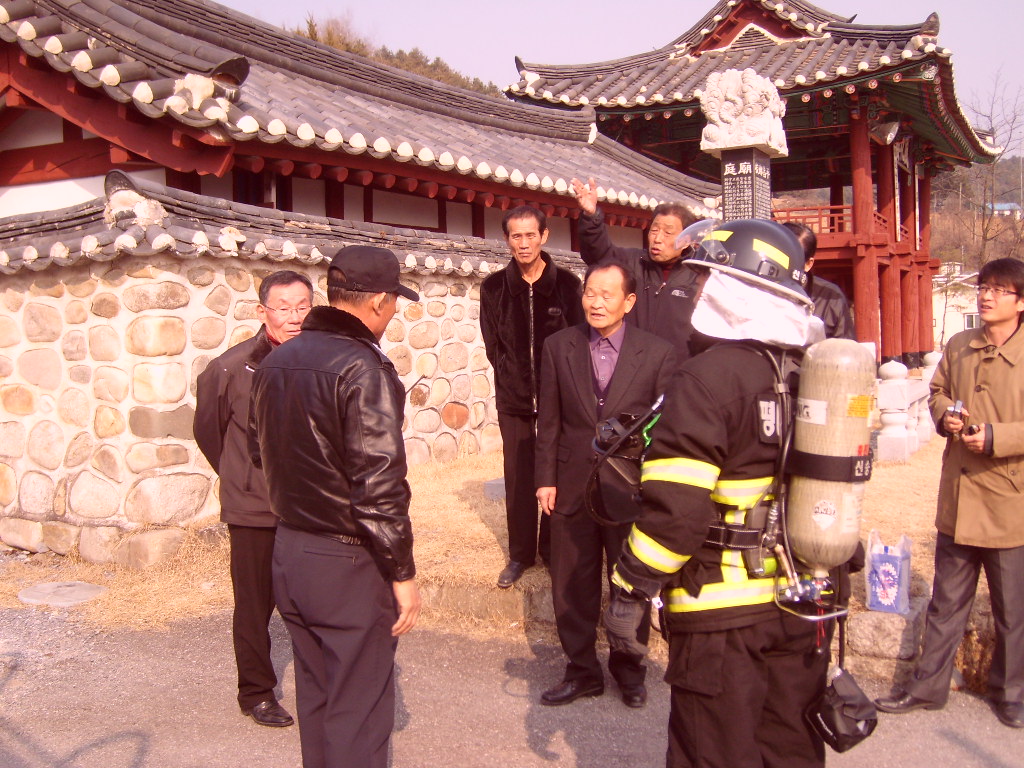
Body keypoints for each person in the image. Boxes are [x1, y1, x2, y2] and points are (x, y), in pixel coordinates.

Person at [605, 219, 831, 767]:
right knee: (789, 750)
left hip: (721, 615)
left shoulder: (706, 378)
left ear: (736, 290)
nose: (698, 290)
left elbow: (675, 516)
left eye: (707, 279)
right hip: (801, 605)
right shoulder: (810, 374)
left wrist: (629, 587)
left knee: (711, 753)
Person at [250, 245, 421, 768]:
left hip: (290, 550)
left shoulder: (276, 360)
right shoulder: (363, 367)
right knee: (358, 713)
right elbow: (379, 484)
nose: (393, 312)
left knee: (319, 698)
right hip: (347, 561)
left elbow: (261, 452)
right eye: (394, 302)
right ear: (378, 302)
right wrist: (402, 573)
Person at [875, 257, 1024, 730]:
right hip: (959, 495)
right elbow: (938, 392)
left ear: (1021, 302)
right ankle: (927, 688)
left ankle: (1011, 693)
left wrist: (997, 437)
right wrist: (946, 416)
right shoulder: (960, 344)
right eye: (984, 287)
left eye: (999, 290)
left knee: (1013, 610)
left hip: (1010, 497)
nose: (986, 296)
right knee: (946, 602)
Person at [535, 261, 677, 709]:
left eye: (606, 295)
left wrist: (655, 488)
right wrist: (545, 480)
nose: (595, 303)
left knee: (628, 582)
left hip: (628, 487)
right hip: (571, 481)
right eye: (589, 293)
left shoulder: (657, 354)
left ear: (629, 302)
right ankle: (581, 670)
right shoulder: (559, 346)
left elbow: (663, 429)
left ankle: (629, 670)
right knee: (571, 582)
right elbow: (549, 420)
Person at [194, 269, 313, 728]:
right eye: (283, 308)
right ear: (263, 311)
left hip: (307, 504)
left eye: (302, 307)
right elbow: (209, 431)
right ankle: (256, 692)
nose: (294, 317)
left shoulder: (320, 359)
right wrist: (240, 476)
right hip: (253, 506)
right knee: (254, 604)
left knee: (311, 597)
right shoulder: (231, 367)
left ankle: (321, 683)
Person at [480, 205, 584, 588]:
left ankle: (553, 550)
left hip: (559, 399)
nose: (523, 243)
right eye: (516, 236)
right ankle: (521, 553)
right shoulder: (493, 288)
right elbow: (493, 344)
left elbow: (579, 343)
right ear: (507, 239)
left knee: (556, 473)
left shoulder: (568, 285)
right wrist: (511, 375)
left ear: (544, 236)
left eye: (530, 235)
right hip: (515, 399)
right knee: (519, 476)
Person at [571, 176, 701, 355]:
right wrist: (591, 217)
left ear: (686, 240)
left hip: (677, 365)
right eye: (654, 230)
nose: (657, 238)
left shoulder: (698, 276)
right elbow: (598, 254)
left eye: (668, 233)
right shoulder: (632, 262)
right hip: (630, 362)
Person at [782, 221, 855, 340]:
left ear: (808, 264)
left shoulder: (830, 298)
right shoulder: (755, 289)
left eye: (787, 259)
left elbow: (845, 346)